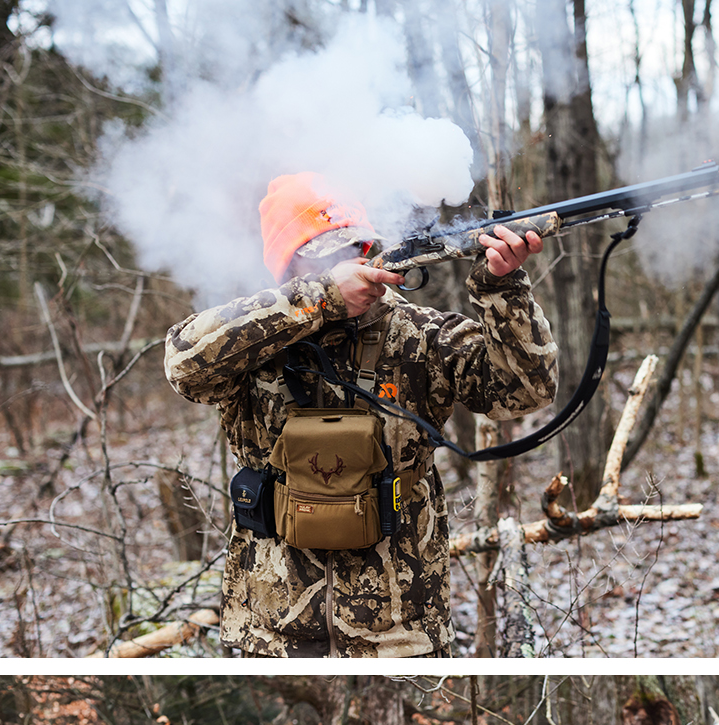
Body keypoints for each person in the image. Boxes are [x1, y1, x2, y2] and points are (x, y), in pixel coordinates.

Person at [162, 172, 559, 657]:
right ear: (285, 269)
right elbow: (182, 361)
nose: (346, 263)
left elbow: (526, 392)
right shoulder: (254, 334)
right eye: (320, 256)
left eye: (352, 248)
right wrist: (321, 299)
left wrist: (503, 288)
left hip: (400, 631)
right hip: (270, 631)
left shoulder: (419, 334)